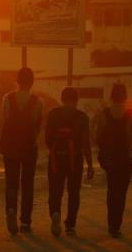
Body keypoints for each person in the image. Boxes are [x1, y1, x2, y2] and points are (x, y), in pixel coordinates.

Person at [95, 83, 132, 238]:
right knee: (121, 193)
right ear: (125, 96)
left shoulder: (103, 114)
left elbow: (97, 138)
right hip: (125, 159)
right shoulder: (131, 114)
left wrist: (102, 154)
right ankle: (117, 225)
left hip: (110, 159)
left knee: (111, 191)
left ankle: (111, 224)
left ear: (111, 96)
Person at [0, 67, 43, 234]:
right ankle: (25, 222)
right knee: (27, 184)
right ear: (31, 82)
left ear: (17, 81)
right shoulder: (37, 102)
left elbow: (6, 119)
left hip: (10, 146)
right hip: (29, 147)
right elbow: (37, 126)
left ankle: (11, 210)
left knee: (11, 182)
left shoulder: (7, 99)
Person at [45, 87, 93, 237]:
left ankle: (55, 213)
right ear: (76, 100)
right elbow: (86, 143)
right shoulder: (82, 117)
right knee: (73, 193)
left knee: (55, 191)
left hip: (55, 158)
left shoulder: (52, 114)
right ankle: (70, 225)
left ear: (62, 98)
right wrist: (90, 164)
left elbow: (47, 139)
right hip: (75, 159)